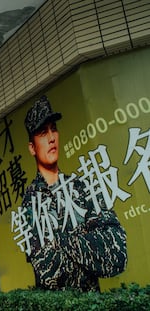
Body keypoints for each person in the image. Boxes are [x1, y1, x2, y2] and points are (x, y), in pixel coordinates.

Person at [21, 95, 127, 291]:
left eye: (54, 129)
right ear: (32, 148)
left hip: (91, 302)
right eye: (43, 133)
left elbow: (117, 253)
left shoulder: (83, 187)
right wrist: (88, 238)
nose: (52, 137)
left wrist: (61, 242)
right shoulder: (31, 201)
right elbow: (49, 272)